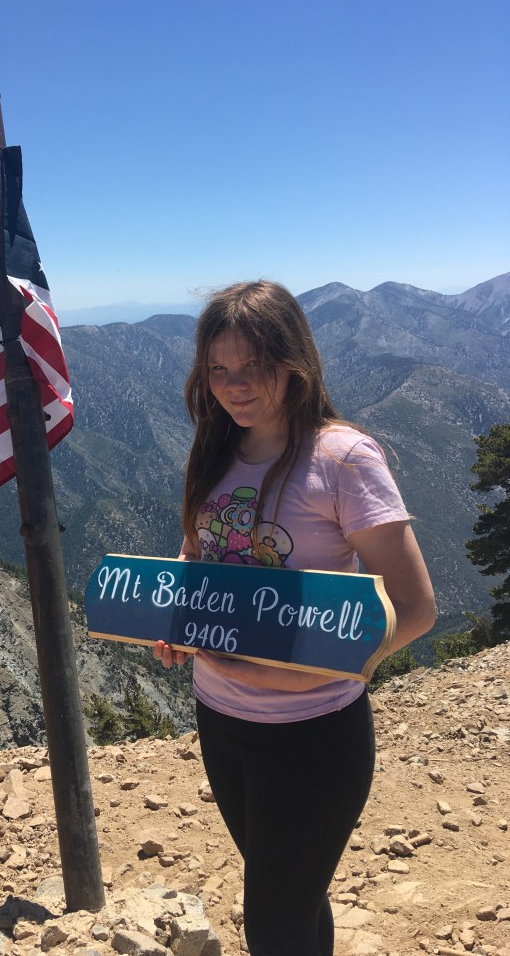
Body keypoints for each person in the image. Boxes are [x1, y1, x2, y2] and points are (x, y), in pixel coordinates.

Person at [153, 281, 436, 956]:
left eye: (253, 365)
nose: (234, 385)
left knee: (274, 925)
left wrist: (303, 676)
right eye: (218, 369)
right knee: (294, 899)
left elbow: (415, 609)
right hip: (220, 718)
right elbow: (197, 553)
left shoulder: (343, 458)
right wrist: (178, 616)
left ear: (295, 362)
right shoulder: (216, 447)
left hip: (313, 735)